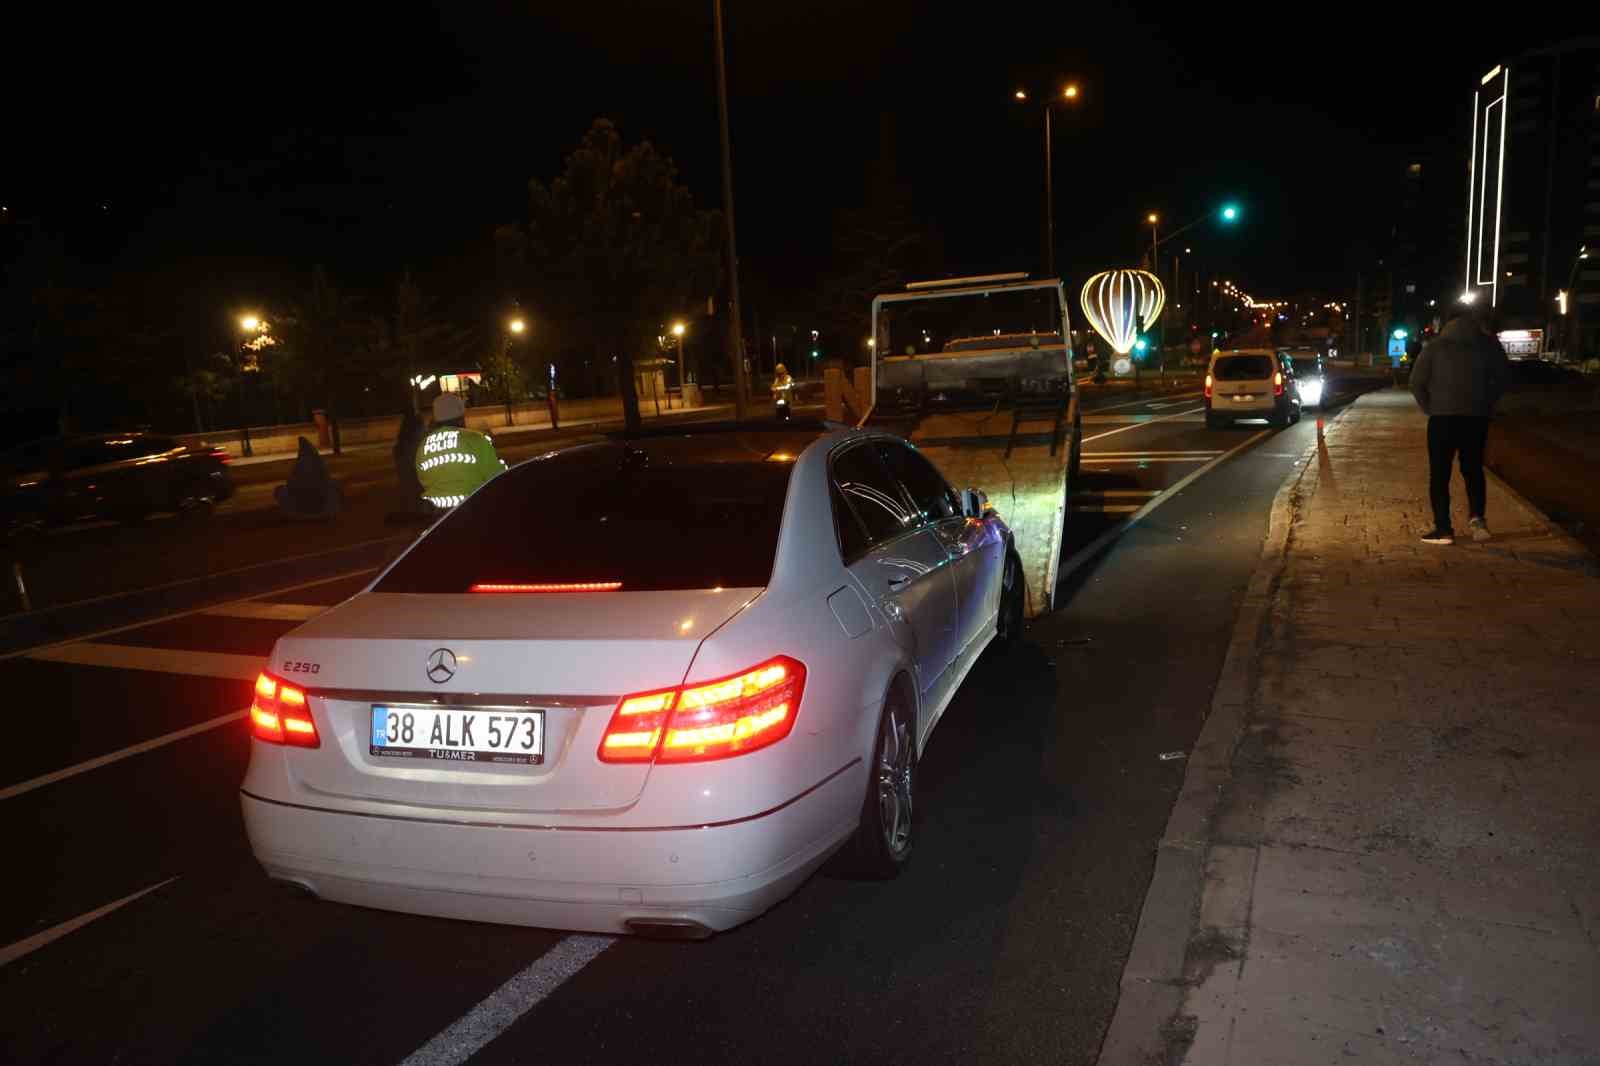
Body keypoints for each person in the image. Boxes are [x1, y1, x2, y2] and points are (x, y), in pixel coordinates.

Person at [1409, 309, 1510, 545]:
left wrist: (1431, 408)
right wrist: (1486, 404)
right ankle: (1478, 522)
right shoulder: (1489, 346)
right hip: (1476, 418)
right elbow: (1504, 379)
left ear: (1447, 323)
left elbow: (1416, 382)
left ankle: (1443, 529)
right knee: (1473, 469)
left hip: (1442, 419)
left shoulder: (1435, 347)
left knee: (1440, 474)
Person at [416, 393, 506, 510]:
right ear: (460, 415)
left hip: (438, 516)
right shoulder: (475, 439)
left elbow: (422, 480)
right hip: (473, 509)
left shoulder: (423, 445)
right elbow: (499, 477)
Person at [274, 437, 342, 520]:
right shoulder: (319, 466)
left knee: (280, 490)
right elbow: (328, 482)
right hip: (322, 508)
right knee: (334, 485)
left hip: (299, 510)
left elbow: (291, 485)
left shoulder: (298, 468)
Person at [388, 411, 431, 521]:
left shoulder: (401, 446)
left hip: (407, 495)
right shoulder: (416, 447)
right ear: (417, 429)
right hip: (419, 497)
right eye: (423, 427)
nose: (425, 429)